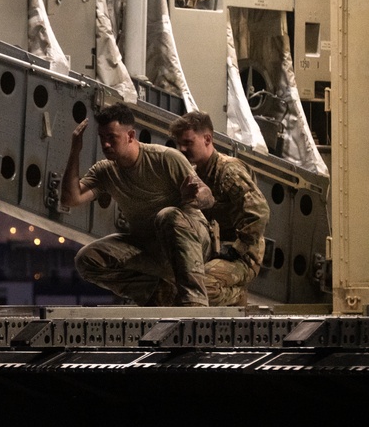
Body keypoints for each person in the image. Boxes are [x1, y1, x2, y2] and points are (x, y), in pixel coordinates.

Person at [61, 103, 214, 306]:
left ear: (130, 136)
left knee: (168, 216)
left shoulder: (165, 158)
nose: (105, 145)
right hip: (150, 247)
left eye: (112, 138)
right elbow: (70, 199)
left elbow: (208, 196)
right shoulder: (105, 171)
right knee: (87, 259)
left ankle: (194, 304)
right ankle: (158, 293)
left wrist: (193, 197)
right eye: (102, 138)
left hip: (192, 243)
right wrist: (75, 151)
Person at [170, 111, 270, 306]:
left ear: (207, 139)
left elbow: (260, 212)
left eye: (188, 142)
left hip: (242, 255)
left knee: (202, 287)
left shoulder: (228, 171)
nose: (181, 148)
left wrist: (236, 249)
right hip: (215, 251)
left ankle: (236, 294)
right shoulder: (196, 175)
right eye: (179, 143)